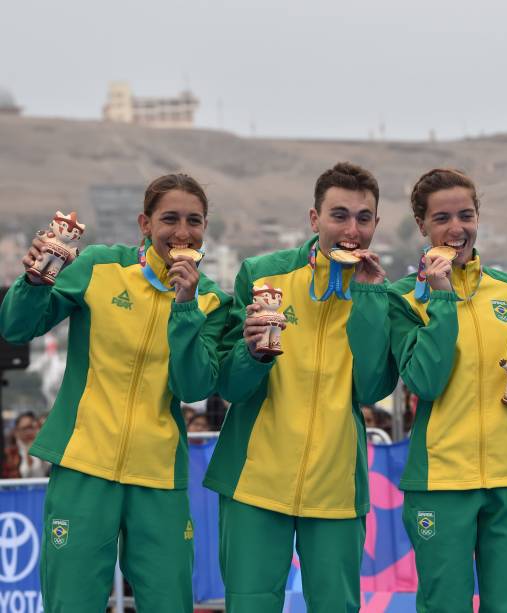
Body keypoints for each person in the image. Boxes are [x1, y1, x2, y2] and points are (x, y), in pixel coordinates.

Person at [0, 173, 230, 612]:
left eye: (194, 221)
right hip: (84, 465)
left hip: (158, 476)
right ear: (145, 223)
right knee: (72, 603)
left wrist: (185, 306)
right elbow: (16, 326)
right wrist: (34, 278)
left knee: (169, 603)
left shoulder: (212, 300)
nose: (182, 232)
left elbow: (195, 386)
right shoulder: (100, 266)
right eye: (170, 219)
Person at [203, 162, 397, 613]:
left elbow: (371, 388)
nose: (351, 229)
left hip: (336, 487)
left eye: (363, 218)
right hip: (254, 482)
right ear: (315, 220)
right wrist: (251, 354)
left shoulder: (381, 293)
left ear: (376, 225)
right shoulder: (263, 274)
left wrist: (367, 300)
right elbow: (229, 384)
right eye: (339, 215)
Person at [387, 168, 507, 612]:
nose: (456, 228)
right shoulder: (401, 298)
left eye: (466, 214)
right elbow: (424, 382)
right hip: (441, 481)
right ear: (422, 225)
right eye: (442, 218)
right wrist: (439, 297)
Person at [2, 411, 50, 478]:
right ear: (17, 431)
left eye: (31, 427)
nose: (29, 432)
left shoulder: (43, 447)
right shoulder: (10, 453)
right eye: (25, 428)